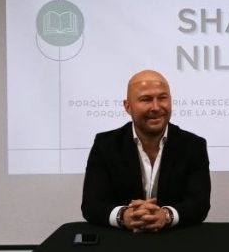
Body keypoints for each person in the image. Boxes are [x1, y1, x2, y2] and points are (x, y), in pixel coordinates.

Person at [81, 70, 210, 231]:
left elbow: (199, 204)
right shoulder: (105, 145)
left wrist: (166, 215)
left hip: (174, 243)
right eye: (146, 99)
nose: (156, 107)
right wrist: (125, 216)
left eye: (162, 98)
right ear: (128, 106)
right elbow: (91, 205)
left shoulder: (193, 145)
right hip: (121, 244)